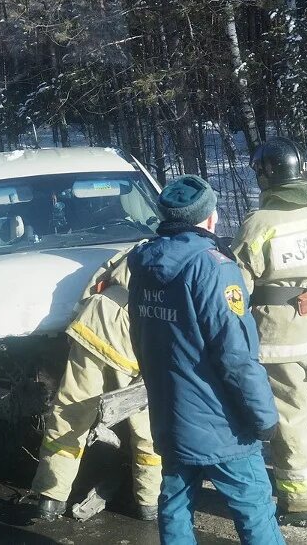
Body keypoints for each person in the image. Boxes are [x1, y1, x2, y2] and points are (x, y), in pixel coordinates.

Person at [128, 175, 284, 544]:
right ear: (209, 217)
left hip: (171, 414)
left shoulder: (143, 266)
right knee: (254, 507)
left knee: (175, 504)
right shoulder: (214, 267)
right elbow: (236, 354)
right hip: (222, 423)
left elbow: (142, 340)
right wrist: (263, 417)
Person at [231, 138, 307, 528]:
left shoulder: (258, 224)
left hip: (282, 337)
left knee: (290, 414)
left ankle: (301, 502)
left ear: (266, 177)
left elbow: (236, 287)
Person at [33, 245, 161, 522]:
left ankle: (51, 496)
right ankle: (149, 502)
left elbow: (98, 280)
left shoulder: (143, 245)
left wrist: (77, 320)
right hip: (137, 335)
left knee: (72, 411)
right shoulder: (201, 257)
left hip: (96, 320)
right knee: (147, 424)